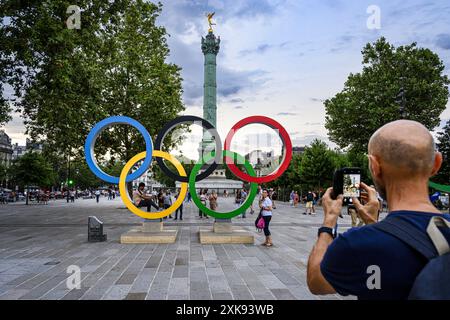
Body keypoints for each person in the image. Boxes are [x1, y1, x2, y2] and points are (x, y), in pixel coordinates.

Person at [307, 120, 450, 300]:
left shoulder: (358, 243)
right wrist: (373, 223)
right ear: (437, 163)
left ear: (374, 166)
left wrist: (329, 222)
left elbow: (316, 281)